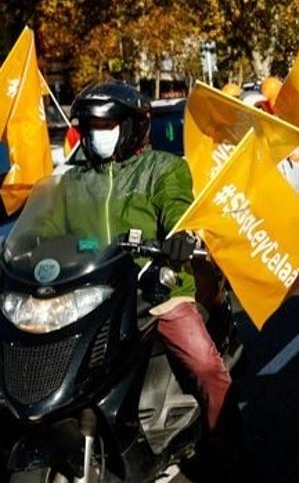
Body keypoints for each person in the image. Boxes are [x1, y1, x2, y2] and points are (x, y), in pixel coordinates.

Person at [43, 83, 233, 432]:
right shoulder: (72, 180)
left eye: (105, 127)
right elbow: (45, 228)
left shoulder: (164, 168)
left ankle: (225, 438)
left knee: (206, 367)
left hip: (155, 287)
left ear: (131, 128)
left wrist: (179, 235)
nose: (96, 135)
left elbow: (177, 206)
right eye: (91, 128)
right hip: (88, 292)